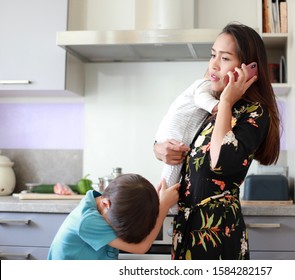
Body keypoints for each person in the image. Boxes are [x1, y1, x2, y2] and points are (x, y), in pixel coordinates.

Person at [154, 22, 281, 260]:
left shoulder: (253, 112)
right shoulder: (211, 106)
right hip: (188, 230)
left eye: (224, 58)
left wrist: (225, 102)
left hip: (217, 235)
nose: (213, 64)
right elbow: (183, 135)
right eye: (213, 55)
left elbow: (220, 160)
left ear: (249, 69)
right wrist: (159, 149)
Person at [47, 173, 179, 260]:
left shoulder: (104, 203)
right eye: (116, 226)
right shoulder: (87, 221)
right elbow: (141, 247)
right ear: (105, 203)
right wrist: (163, 206)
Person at [155, 77, 219, 213]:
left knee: (170, 174)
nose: (215, 65)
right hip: (176, 134)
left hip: (172, 132)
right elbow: (201, 98)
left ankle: (166, 205)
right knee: (170, 175)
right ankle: (167, 207)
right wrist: (220, 106)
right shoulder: (206, 84)